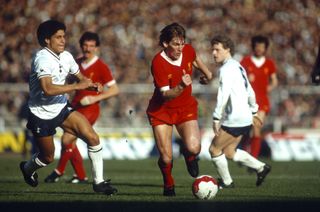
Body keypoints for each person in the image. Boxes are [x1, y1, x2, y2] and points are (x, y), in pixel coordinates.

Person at [19, 20, 117, 195]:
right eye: (58, 37)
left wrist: (91, 85)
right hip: (40, 114)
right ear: (47, 40)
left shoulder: (66, 56)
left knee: (93, 138)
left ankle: (99, 183)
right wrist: (76, 87)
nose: (63, 40)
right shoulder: (42, 59)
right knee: (48, 157)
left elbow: (81, 78)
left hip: (62, 107)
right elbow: (48, 89)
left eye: (64, 36)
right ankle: (27, 168)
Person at [146, 22, 212, 196]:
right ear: (165, 44)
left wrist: (207, 73)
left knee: (194, 147)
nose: (180, 48)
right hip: (162, 110)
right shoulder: (158, 62)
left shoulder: (187, 50)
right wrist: (182, 85)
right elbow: (166, 95)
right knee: (166, 157)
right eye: (176, 44)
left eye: (182, 43)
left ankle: (189, 156)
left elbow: (194, 58)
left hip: (185, 107)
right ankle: (168, 184)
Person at [44, 31, 119, 184]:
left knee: (67, 139)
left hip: (91, 109)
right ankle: (80, 175)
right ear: (81, 46)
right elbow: (69, 81)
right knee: (69, 142)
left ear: (97, 48)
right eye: (85, 45)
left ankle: (59, 171)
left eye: (91, 46)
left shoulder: (101, 66)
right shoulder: (76, 63)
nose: (88, 49)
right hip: (75, 106)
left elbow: (114, 89)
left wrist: (94, 98)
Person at [209, 35, 271, 189]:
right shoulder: (238, 66)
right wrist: (254, 111)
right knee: (229, 152)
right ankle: (261, 167)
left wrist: (216, 117)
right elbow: (249, 90)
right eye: (213, 50)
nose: (214, 53)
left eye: (217, 49)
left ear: (228, 49)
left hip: (235, 119)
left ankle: (227, 182)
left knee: (214, 149)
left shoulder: (226, 69)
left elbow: (223, 94)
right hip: (245, 118)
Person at [240, 35, 278, 158]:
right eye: (257, 46)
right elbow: (239, 78)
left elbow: (274, 80)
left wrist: (268, 88)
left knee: (257, 127)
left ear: (265, 48)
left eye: (262, 47)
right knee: (246, 129)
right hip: (247, 101)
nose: (259, 49)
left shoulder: (269, 63)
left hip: (262, 101)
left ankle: (253, 158)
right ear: (253, 47)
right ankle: (245, 152)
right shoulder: (245, 61)